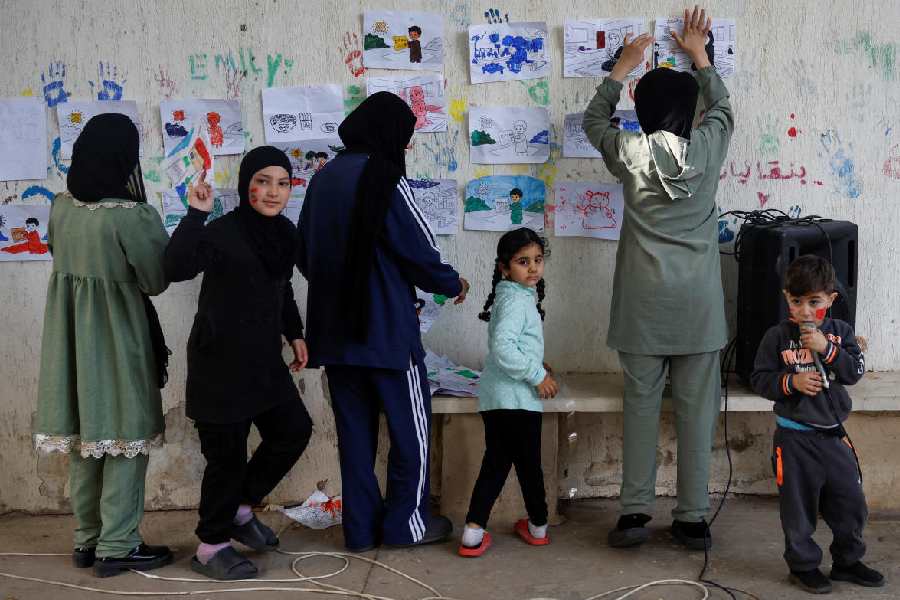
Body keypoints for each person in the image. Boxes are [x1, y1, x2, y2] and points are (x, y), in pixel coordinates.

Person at [582, 5, 733, 550]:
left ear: (640, 115)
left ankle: (633, 515)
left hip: (643, 308)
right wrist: (700, 57)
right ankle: (692, 519)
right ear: (691, 116)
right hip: (697, 309)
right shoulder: (709, 150)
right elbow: (724, 108)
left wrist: (622, 69)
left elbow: (592, 123)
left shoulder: (628, 151)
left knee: (641, 408)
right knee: (696, 415)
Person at [297, 91, 469, 552]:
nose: (407, 147)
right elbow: (418, 248)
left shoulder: (323, 179)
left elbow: (305, 255)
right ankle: (404, 527)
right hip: (387, 334)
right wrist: (453, 283)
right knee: (411, 434)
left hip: (335, 335)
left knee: (355, 441)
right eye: (405, 137)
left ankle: (360, 531)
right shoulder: (387, 179)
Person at [33, 113, 173, 577]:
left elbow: (60, 256)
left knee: (86, 436)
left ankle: (87, 540)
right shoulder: (133, 215)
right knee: (124, 436)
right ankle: (118, 546)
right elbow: (155, 280)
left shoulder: (60, 206)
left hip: (70, 336)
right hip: (117, 336)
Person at [165, 147, 312, 580]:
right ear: (247, 183)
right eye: (263, 181)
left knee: (293, 430)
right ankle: (210, 547)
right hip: (220, 364)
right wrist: (195, 214)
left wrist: (296, 333)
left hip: (263, 362)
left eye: (282, 183)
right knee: (226, 460)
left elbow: (281, 288)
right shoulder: (222, 232)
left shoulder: (285, 233)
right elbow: (174, 268)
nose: (273, 192)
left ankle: (240, 510)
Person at [751, 256, 884, 594]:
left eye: (815, 302)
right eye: (797, 302)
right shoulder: (777, 337)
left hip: (833, 437)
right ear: (786, 299)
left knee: (851, 502)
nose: (806, 311)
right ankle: (803, 565)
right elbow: (760, 379)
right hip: (794, 440)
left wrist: (826, 349)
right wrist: (790, 383)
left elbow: (853, 372)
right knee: (798, 508)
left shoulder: (840, 334)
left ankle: (847, 561)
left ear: (831, 300)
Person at [458, 228, 557, 558]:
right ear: (504, 267)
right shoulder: (515, 299)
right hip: (515, 399)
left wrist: (538, 362)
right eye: (522, 261)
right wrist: (537, 374)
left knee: (499, 463)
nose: (533, 268)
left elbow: (516, 344)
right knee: (525, 465)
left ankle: (474, 532)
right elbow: (503, 348)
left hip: (503, 398)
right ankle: (537, 527)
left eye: (538, 260)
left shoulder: (515, 295)